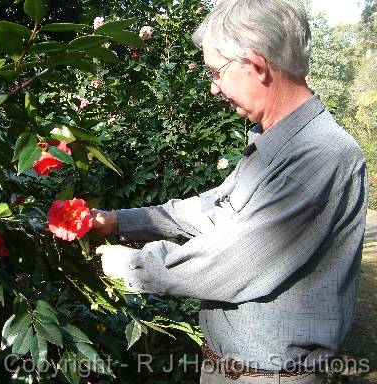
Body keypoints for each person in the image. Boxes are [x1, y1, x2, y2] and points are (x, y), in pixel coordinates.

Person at [92, 0, 369, 383]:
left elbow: (231, 261)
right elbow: (212, 210)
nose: (213, 87)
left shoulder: (321, 155)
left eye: (216, 72)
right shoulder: (279, 144)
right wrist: (121, 221)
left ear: (256, 65)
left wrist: (131, 266)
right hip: (229, 369)